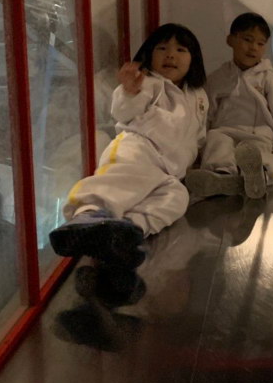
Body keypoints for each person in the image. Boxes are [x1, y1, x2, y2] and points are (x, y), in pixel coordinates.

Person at [49, 23, 208, 268]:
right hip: (138, 149)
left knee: (177, 198)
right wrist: (129, 91)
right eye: (162, 48)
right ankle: (87, 213)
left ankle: (129, 230)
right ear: (148, 55)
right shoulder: (148, 83)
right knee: (119, 179)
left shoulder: (198, 96)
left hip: (168, 171)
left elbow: (198, 135)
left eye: (181, 50)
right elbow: (123, 112)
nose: (170, 55)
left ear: (193, 59)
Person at [189, 12, 273, 201]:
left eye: (260, 43)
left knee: (261, 155)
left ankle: (259, 176)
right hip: (224, 130)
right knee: (216, 141)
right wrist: (199, 146)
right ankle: (221, 175)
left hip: (258, 133)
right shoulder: (219, 77)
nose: (253, 47)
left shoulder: (268, 78)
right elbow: (206, 113)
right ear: (231, 40)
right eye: (247, 40)